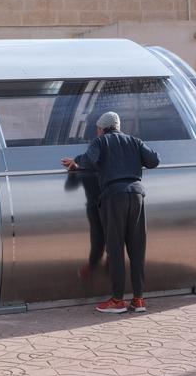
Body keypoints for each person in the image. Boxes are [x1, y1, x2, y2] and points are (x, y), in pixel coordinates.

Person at [62, 111, 159, 314]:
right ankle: (139, 299)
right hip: (137, 194)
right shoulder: (134, 141)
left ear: (101, 129)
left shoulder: (101, 142)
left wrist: (76, 162)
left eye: (97, 129)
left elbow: (89, 160)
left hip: (114, 196)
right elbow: (153, 161)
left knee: (115, 249)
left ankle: (117, 300)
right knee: (137, 248)